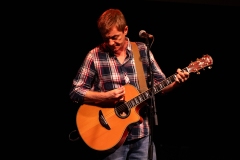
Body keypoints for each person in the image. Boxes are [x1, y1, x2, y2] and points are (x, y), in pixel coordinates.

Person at [69, 8, 190, 160]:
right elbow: (75, 92)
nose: (111, 43)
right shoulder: (95, 55)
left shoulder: (142, 50)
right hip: (109, 137)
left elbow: (161, 85)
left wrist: (176, 83)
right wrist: (105, 97)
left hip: (142, 136)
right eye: (106, 39)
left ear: (125, 30)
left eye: (115, 37)